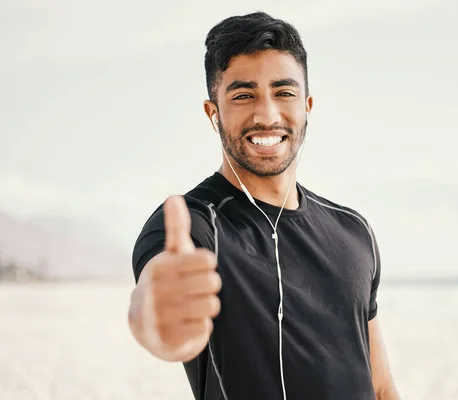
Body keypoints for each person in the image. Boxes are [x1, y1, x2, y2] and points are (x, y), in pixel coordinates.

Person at [128, 11, 401, 400]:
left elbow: (381, 386)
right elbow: (155, 304)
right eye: (243, 95)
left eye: (284, 92)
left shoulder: (354, 231)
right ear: (213, 113)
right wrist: (157, 321)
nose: (267, 114)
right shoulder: (194, 226)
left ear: (307, 105)